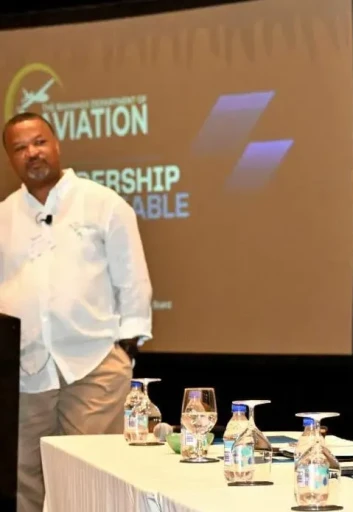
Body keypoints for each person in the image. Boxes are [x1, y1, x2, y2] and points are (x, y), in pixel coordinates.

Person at [0, 112, 153, 512]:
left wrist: (126, 348)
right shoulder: (4, 216)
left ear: (56, 145)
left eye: (39, 142)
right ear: (10, 158)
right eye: (19, 148)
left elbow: (132, 277)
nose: (32, 153)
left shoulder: (101, 202)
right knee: (25, 480)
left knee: (92, 481)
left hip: (94, 366)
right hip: (25, 371)